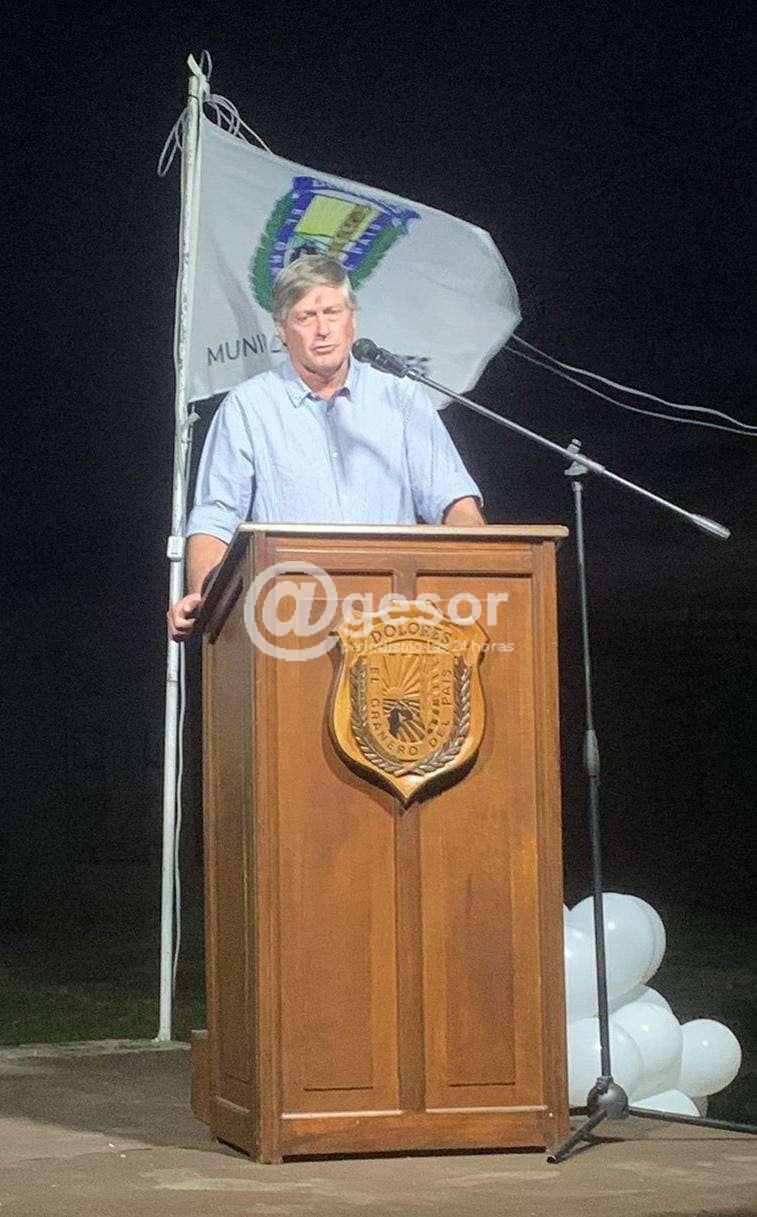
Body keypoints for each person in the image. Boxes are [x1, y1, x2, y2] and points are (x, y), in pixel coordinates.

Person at [168, 254, 485, 641]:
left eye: (332, 313)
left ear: (352, 320)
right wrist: (205, 596)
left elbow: (454, 502)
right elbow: (216, 518)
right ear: (282, 330)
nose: (322, 330)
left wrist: (480, 577)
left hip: (397, 619)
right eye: (306, 317)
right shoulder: (248, 408)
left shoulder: (401, 397)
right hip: (290, 619)